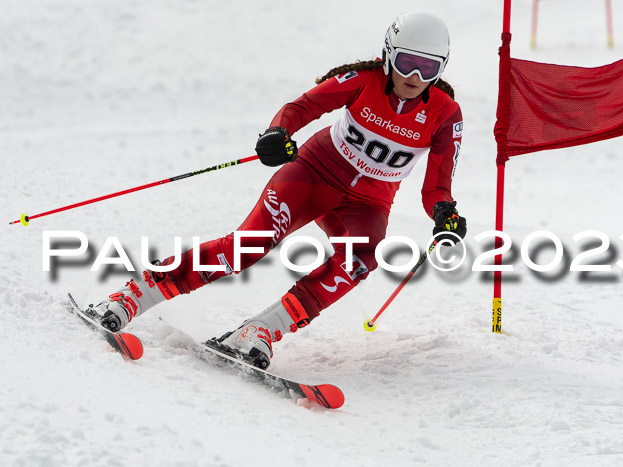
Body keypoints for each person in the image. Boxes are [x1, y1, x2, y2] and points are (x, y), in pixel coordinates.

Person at [91, 10, 467, 369]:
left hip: (368, 201)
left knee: (361, 259)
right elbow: (301, 107)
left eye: (429, 67)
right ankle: (136, 293)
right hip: (313, 174)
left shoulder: (445, 114)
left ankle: (262, 330)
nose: (415, 75)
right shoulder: (361, 80)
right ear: (388, 54)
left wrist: (444, 213)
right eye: (406, 63)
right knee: (249, 245)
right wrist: (278, 133)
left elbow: (436, 186)